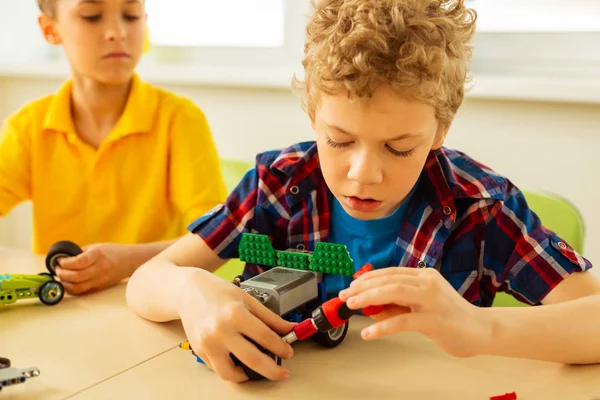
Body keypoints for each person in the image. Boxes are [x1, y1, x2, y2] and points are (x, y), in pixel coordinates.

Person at [126, 0, 600, 383]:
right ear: (313, 114)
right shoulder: (277, 185)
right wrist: (191, 290)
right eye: (339, 141)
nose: (363, 173)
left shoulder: (480, 209)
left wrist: (481, 326)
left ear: (440, 130)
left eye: (398, 148)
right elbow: (149, 281)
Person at [0, 0, 226, 294]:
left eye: (130, 16)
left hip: (153, 306)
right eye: (92, 16)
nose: (117, 31)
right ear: (50, 29)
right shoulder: (27, 127)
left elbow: (219, 238)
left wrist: (128, 262)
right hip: (63, 306)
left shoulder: (180, 120)